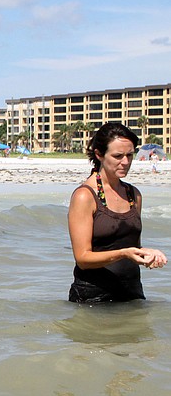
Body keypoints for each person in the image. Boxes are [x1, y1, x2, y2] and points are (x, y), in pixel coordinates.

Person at [67, 123, 166, 303]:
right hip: (93, 298)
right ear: (99, 155)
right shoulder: (84, 196)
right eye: (118, 156)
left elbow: (131, 246)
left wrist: (149, 255)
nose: (126, 162)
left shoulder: (133, 194)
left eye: (130, 155)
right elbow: (83, 258)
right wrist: (123, 254)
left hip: (132, 294)